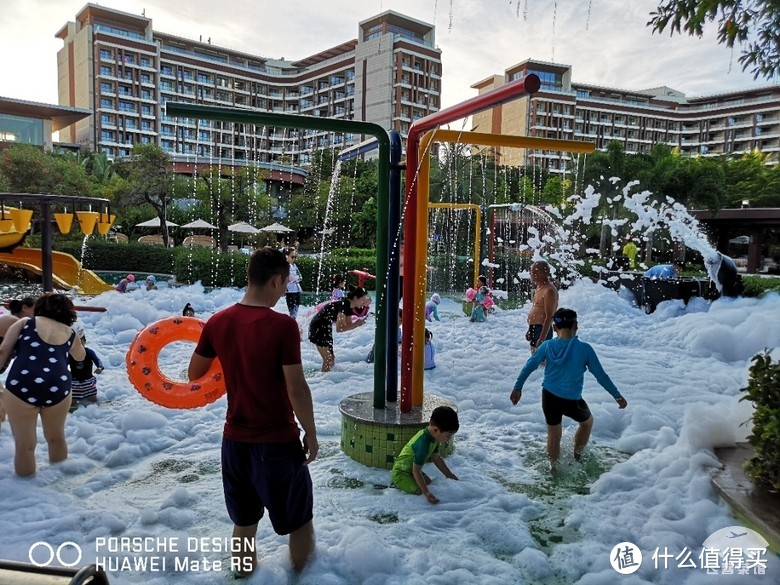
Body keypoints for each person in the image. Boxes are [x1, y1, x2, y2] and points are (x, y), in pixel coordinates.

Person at [188, 247, 318, 575]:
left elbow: (195, 374)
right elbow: (296, 388)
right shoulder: (282, 326)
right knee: (299, 521)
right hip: (275, 441)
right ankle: (303, 579)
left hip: (234, 442)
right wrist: (311, 433)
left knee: (244, 522)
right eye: (286, 284)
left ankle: (243, 579)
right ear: (276, 281)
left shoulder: (218, 322)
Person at [510, 308, 628, 467]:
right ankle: (578, 457)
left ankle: (553, 468)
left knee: (553, 434)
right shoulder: (585, 349)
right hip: (572, 400)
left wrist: (518, 387)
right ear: (576, 326)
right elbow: (601, 376)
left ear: (554, 328)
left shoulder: (546, 346)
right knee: (587, 423)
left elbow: (529, 366)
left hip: (549, 396)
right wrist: (617, 396)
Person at [0, 293, 85, 476]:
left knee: (25, 446)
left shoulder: (24, 323)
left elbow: (2, 352)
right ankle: (60, 482)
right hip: (58, 386)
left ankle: (28, 492)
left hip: (22, 383)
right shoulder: (70, 333)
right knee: (56, 438)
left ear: (39, 308)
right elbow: (80, 357)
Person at [391, 405, 459, 504]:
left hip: (411, 470)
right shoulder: (423, 444)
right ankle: (395, 486)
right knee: (420, 494)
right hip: (402, 473)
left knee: (430, 483)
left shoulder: (433, 438)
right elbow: (416, 470)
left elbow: (437, 458)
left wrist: (449, 475)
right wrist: (426, 493)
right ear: (436, 430)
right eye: (448, 436)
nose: (448, 439)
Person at [309, 287, 370, 372]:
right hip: (318, 327)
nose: (364, 303)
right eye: (363, 299)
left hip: (325, 327)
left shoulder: (349, 307)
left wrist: (359, 323)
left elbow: (348, 325)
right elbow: (340, 328)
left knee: (331, 359)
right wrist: (356, 323)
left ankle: (324, 380)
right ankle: (320, 381)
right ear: (356, 298)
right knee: (328, 360)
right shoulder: (344, 306)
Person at [68, 322, 105, 410]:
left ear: (85, 341)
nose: (78, 347)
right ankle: (74, 417)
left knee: (93, 401)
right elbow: (63, 364)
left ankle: (98, 413)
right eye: (75, 344)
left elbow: (98, 361)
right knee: (72, 403)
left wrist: (99, 368)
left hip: (88, 382)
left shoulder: (89, 352)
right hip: (74, 383)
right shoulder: (70, 354)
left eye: (80, 343)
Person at [526, 261, 558, 354]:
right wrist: (530, 329)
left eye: (531, 272)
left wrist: (542, 339)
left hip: (542, 329)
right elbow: (536, 309)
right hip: (535, 327)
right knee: (536, 360)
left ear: (540, 273)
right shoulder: (540, 287)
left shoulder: (549, 290)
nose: (530, 274)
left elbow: (549, 316)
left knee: (542, 361)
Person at [283, 247, 302, 319]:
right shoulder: (285, 266)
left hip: (297, 289)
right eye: (292, 257)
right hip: (290, 290)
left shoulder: (294, 265)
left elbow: (300, 277)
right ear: (286, 256)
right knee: (292, 310)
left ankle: (294, 322)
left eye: (295, 257)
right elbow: (290, 278)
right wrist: (295, 278)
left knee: (296, 308)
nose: (294, 259)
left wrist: (295, 278)